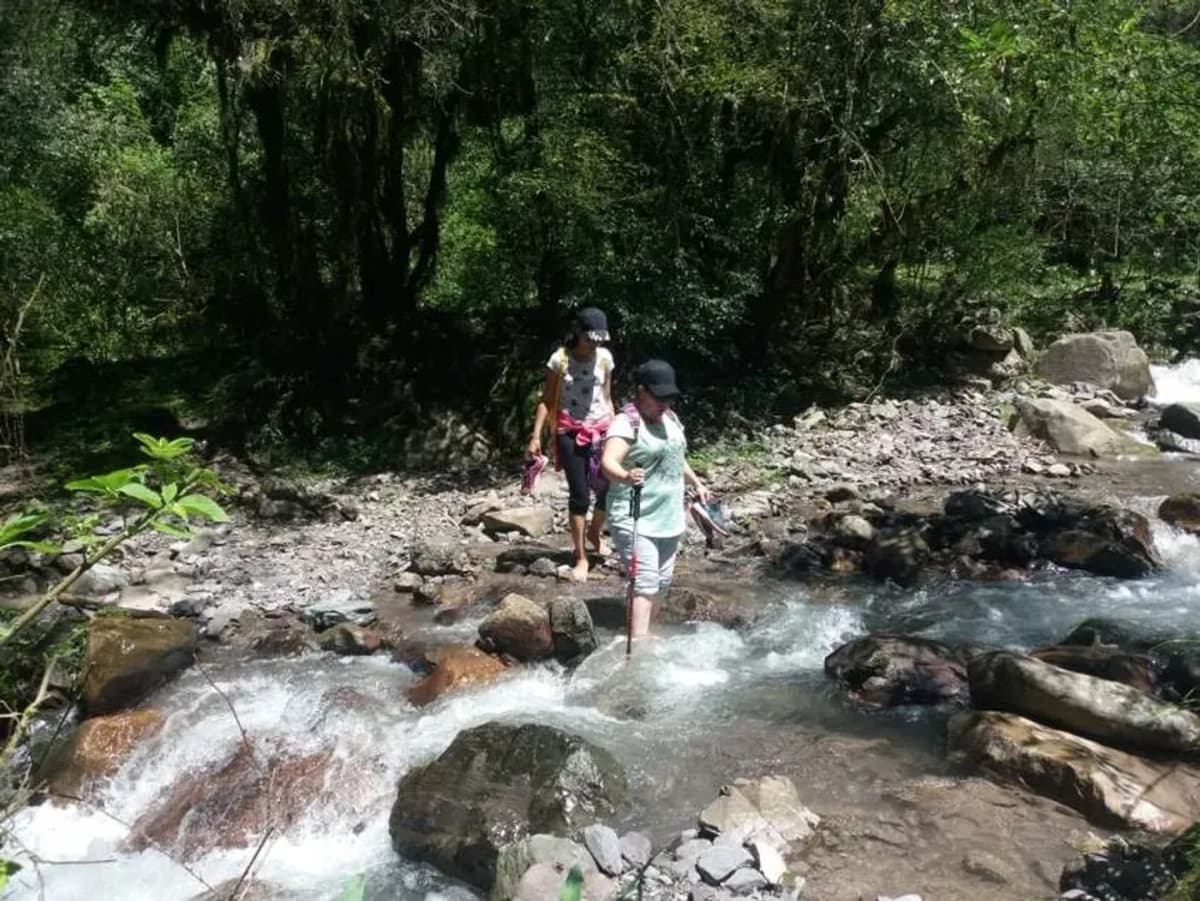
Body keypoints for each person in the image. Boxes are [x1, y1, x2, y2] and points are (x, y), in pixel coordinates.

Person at [602, 359, 709, 640]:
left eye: (669, 397)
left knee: (661, 581)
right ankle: (637, 645)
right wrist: (626, 475)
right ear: (641, 391)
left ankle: (647, 631)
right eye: (659, 397)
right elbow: (607, 463)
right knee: (645, 580)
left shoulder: (671, 420)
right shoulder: (626, 423)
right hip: (634, 514)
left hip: (668, 515)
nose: (665, 403)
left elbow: (676, 457)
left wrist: (696, 483)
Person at [527, 307, 616, 582]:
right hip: (569, 431)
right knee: (579, 494)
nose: (595, 344)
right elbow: (546, 400)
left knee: (608, 488)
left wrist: (619, 433)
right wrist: (535, 436)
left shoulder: (605, 359)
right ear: (578, 333)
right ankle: (580, 557)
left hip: (602, 429)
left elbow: (608, 397)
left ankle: (594, 532)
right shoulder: (560, 359)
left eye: (600, 339)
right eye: (591, 338)